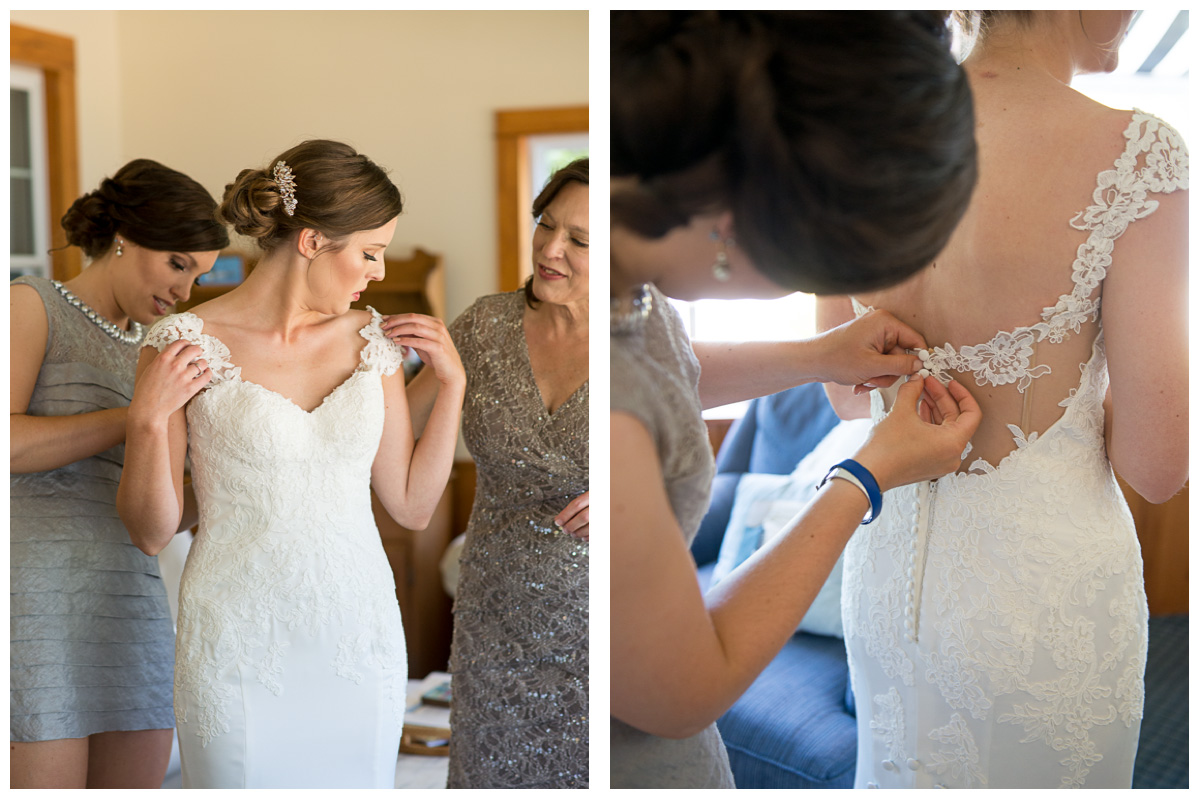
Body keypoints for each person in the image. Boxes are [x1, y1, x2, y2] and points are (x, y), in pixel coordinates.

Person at [610, 11, 984, 789]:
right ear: (737, 229)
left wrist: (820, 355)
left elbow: (655, 369)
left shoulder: (615, 273)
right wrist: (865, 476)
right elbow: (683, 694)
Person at [817, 10, 1187, 789]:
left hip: (889, 570)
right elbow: (1158, 467)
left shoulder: (849, 136)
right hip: (1043, 592)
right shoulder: (1138, 153)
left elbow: (848, 397)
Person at [115, 140, 465, 788]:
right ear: (311, 242)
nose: (377, 273)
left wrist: (452, 387)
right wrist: (144, 421)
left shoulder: (374, 344)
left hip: (357, 638)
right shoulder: (184, 345)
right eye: (369, 252)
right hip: (235, 644)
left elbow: (412, 506)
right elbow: (151, 531)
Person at [10, 159, 228, 789]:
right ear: (126, 237)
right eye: (178, 264)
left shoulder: (165, 347)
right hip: (33, 600)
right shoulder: (32, 304)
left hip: (132, 601)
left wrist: (227, 488)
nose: (186, 292)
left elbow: (164, 509)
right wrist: (138, 416)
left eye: (199, 275)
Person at [392, 157, 590, 788]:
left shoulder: (639, 338)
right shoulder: (484, 325)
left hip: (609, 610)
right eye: (546, 225)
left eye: (580, 240)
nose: (551, 249)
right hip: (497, 611)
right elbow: (393, 426)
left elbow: (683, 469)